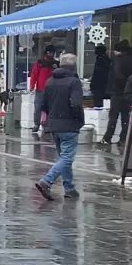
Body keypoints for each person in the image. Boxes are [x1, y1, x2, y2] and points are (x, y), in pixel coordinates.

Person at [34, 53, 84, 201]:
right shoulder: (74, 82)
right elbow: (76, 104)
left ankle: (69, 188)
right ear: (74, 66)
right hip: (69, 124)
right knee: (67, 158)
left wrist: (54, 117)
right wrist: (77, 118)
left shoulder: (50, 81)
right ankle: (47, 181)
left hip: (54, 125)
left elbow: (43, 105)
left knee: (64, 157)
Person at [101, 41, 132, 145]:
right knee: (125, 116)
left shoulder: (118, 60)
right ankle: (124, 138)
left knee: (113, 116)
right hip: (129, 93)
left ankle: (107, 138)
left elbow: (117, 75)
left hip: (117, 92)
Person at [29, 46, 58, 134]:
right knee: (38, 107)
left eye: (52, 52)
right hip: (40, 89)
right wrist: (32, 86)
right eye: (49, 52)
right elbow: (34, 74)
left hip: (52, 90)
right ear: (46, 53)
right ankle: (36, 124)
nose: (51, 54)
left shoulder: (56, 63)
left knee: (50, 108)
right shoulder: (40, 63)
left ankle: (47, 125)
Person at [89, 44, 111, 109]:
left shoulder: (100, 60)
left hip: (99, 86)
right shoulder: (106, 59)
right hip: (104, 86)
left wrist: (92, 84)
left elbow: (97, 74)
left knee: (99, 104)